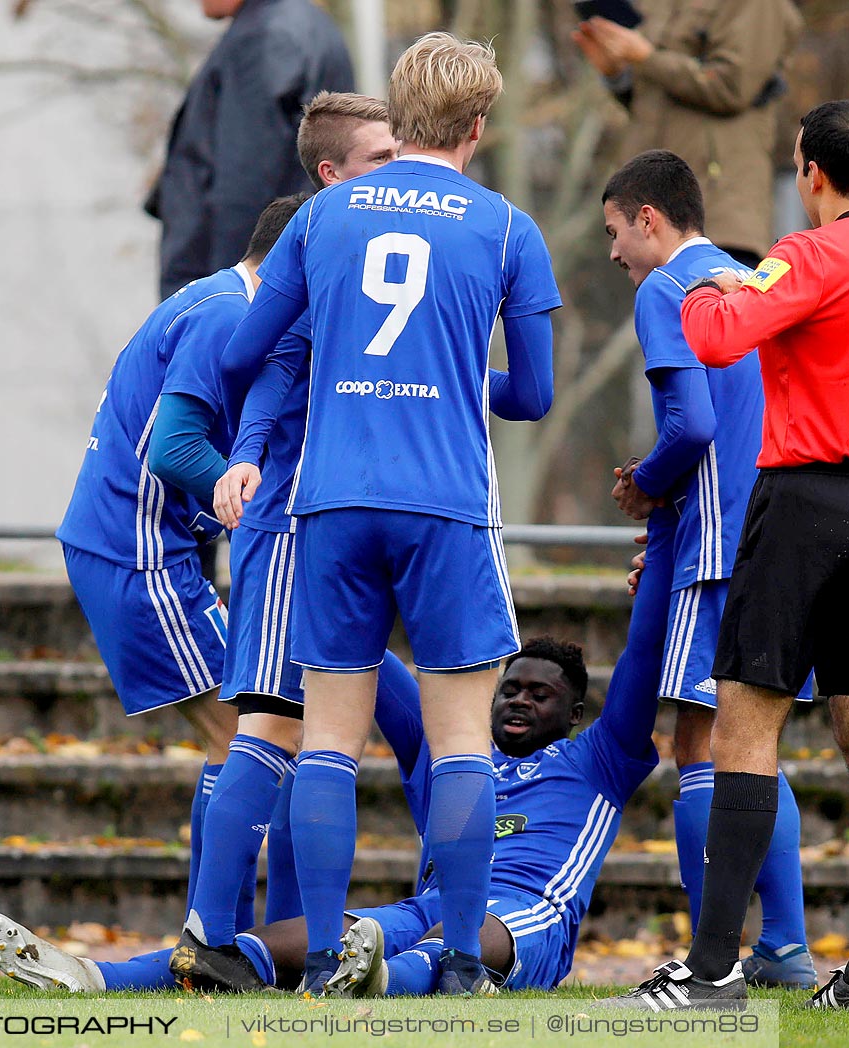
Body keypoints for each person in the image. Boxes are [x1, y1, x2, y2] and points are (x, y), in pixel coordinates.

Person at [212, 33, 561, 995]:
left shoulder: (321, 215)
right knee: (459, 741)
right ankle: (456, 962)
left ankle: (323, 959)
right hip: (446, 502)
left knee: (327, 735)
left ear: (397, 115)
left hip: (332, 499)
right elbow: (532, 395)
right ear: (478, 126)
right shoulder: (502, 227)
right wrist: (449, 375)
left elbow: (243, 355)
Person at [612, 100, 849, 1012]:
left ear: (812, 174)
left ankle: (714, 970)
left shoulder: (804, 254)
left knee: (744, 731)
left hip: (804, 503)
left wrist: (699, 280)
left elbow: (719, 335)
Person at [0, 622, 670, 995]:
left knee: (449, 946)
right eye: (509, 687)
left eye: (539, 694)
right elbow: (369, 652)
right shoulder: (453, 754)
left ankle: (375, 981)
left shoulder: (599, 760)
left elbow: (642, 662)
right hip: (427, 902)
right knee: (283, 943)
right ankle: (96, 976)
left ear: (574, 713)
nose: (518, 699)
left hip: (526, 916)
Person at [145, 92, 422, 992]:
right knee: (271, 725)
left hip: (346, 522)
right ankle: (207, 933)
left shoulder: (366, 251)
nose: (397, 168)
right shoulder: (308, 250)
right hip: (291, 524)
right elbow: (257, 369)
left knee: (315, 736)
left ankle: (283, 943)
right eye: (381, 156)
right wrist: (251, 458)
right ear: (330, 176)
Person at [58, 197, 307, 931]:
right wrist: (247, 499)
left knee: (238, 738)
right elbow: (171, 450)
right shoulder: (230, 313)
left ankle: (219, 934)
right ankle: (219, 941)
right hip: (138, 551)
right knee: (254, 736)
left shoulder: (216, 297)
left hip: (137, 544)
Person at [599, 148, 814, 989]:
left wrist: (644, 488)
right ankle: (785, 949)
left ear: (650, 218)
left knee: (699, 744)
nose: (614, 252)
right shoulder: (756, 280)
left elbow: (689, 425)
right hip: (782, 532)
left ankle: (708, 959)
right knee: (753, 744)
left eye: (616, 231)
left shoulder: (666, 288)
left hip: (721, 548)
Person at [145, 0, 354, 298]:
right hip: (288, 264)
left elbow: (245, 180)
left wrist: (227, 293)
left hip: (234, 276)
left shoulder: (262, 37)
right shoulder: (311, 24)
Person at [573, 0, 803, 266]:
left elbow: (733, 86)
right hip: (653, 218)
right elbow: (654, 97)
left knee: (711, 306)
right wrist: (617, 74)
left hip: (718, 216)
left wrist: (647, 57)